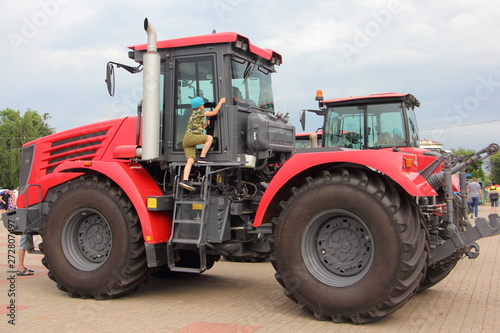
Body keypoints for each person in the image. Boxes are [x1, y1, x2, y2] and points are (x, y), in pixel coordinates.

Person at [179, 96, 226, 191]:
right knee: (209, 138)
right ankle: (202, 157)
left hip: (187, 140)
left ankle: (185, 180)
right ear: (201, 107)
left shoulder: (194, 114)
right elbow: (213, 113)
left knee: (190, 160)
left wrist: (205, 126)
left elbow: (196, 129)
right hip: (190, 138)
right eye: (203, 105)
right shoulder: (199, 112)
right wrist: (221, 102)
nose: (204, 106)